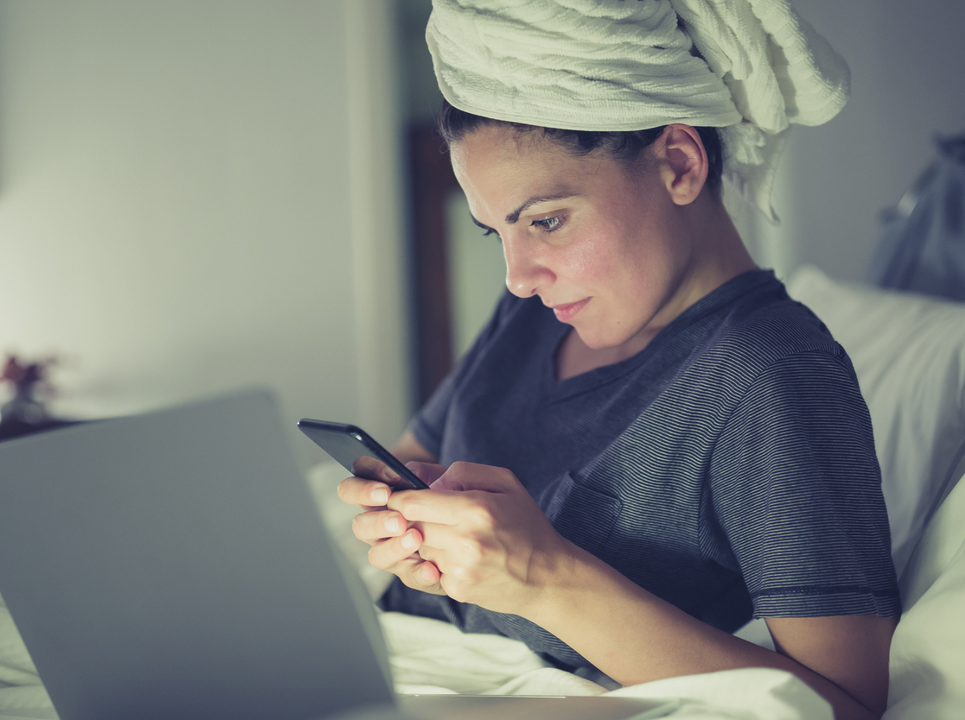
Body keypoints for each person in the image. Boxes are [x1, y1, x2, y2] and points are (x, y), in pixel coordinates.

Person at [338, 2, 900, 719]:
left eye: (545, 222)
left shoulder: (771, 372)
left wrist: (543, 576)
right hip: (381, 663)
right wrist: (405, 521)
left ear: (678, 162)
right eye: (495, 234)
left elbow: (846, 702)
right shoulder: (535, 312)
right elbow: (419, 455)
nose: (518, 276)